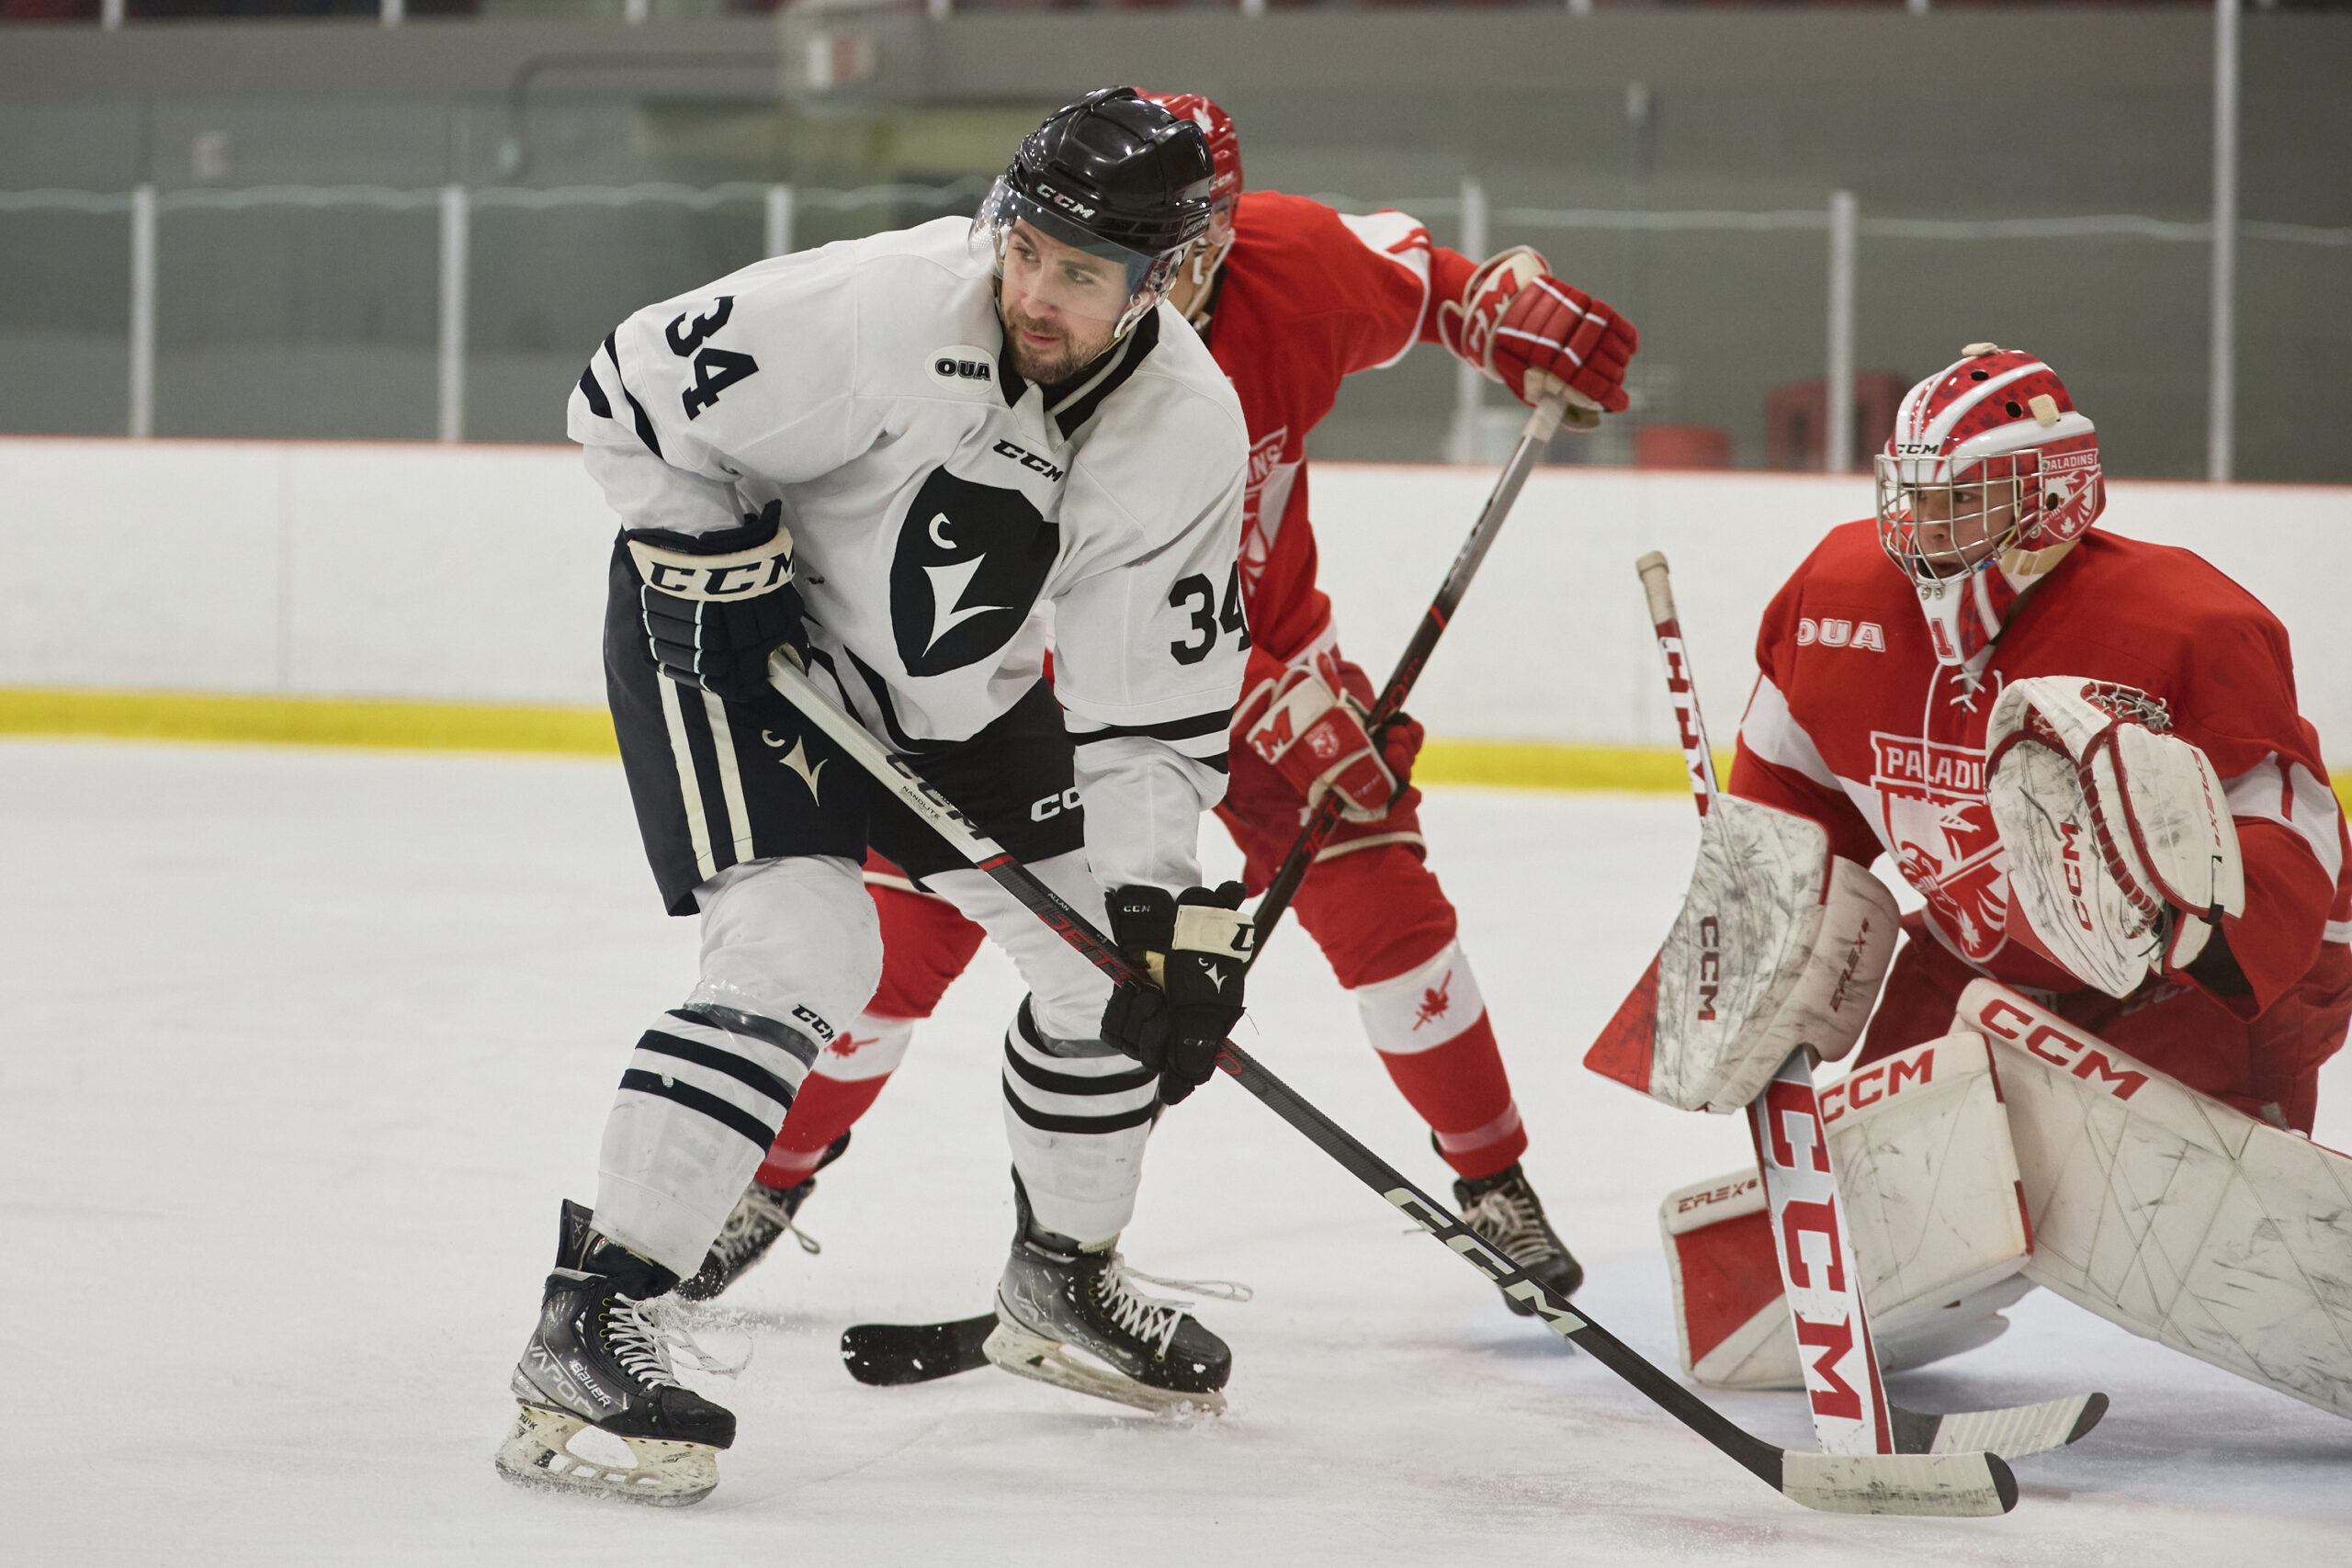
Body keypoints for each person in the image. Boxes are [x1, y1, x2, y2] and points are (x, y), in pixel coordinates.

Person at [683, 91, 1642, 1321]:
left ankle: (1495, 1182)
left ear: (1218, 235)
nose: (1163, 282)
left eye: (1190, 255)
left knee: (1378, 882)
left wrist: (1503, 312)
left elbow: (1436, 282)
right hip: (1031, 688)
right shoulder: (1004, 329)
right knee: (895, 942)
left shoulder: (1294, 266)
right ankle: (769, 1178)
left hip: (1265, 657)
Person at [494, 88, 1260, 1506]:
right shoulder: (885, 307)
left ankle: (1060, 1281)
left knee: (1107, 974)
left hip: (953, 704)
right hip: (741, 641)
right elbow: (621, 392)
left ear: (1177, 279)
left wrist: (1157, 908)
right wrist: (711, 552)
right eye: (1026, 246)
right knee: (808, 943)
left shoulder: (1188, 431)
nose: (1032, 289)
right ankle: (592, 1312)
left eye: (1083, 274)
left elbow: (1148, 711)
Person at [1731, 344, 2352, 1131]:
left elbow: (2293, 848)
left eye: (1958, 498)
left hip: (2193, 991)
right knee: (1894, 1194)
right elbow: (1787, 801)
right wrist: (1759, 920)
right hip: (1980, 960)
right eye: (1913, 494)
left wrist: (2191, 929)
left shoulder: (2189, 627)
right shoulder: (1835, 599)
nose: (1921, 526)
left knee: (2162, 1232)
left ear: (2049, 495)